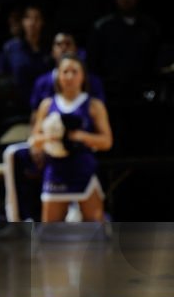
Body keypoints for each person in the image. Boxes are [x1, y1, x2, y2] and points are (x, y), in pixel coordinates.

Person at [29, 55, 113, 222]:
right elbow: (33, 141)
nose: (69, 76)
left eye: (74, 71)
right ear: (58, 76)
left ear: (82, 76)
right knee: (50, 233)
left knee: (96, 230)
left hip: (82, 169)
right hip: (56, 170)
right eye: (65, 71)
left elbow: (107, 142)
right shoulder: (47, 105)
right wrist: (50, 137)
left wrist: (80, 136)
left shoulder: (93, 105)